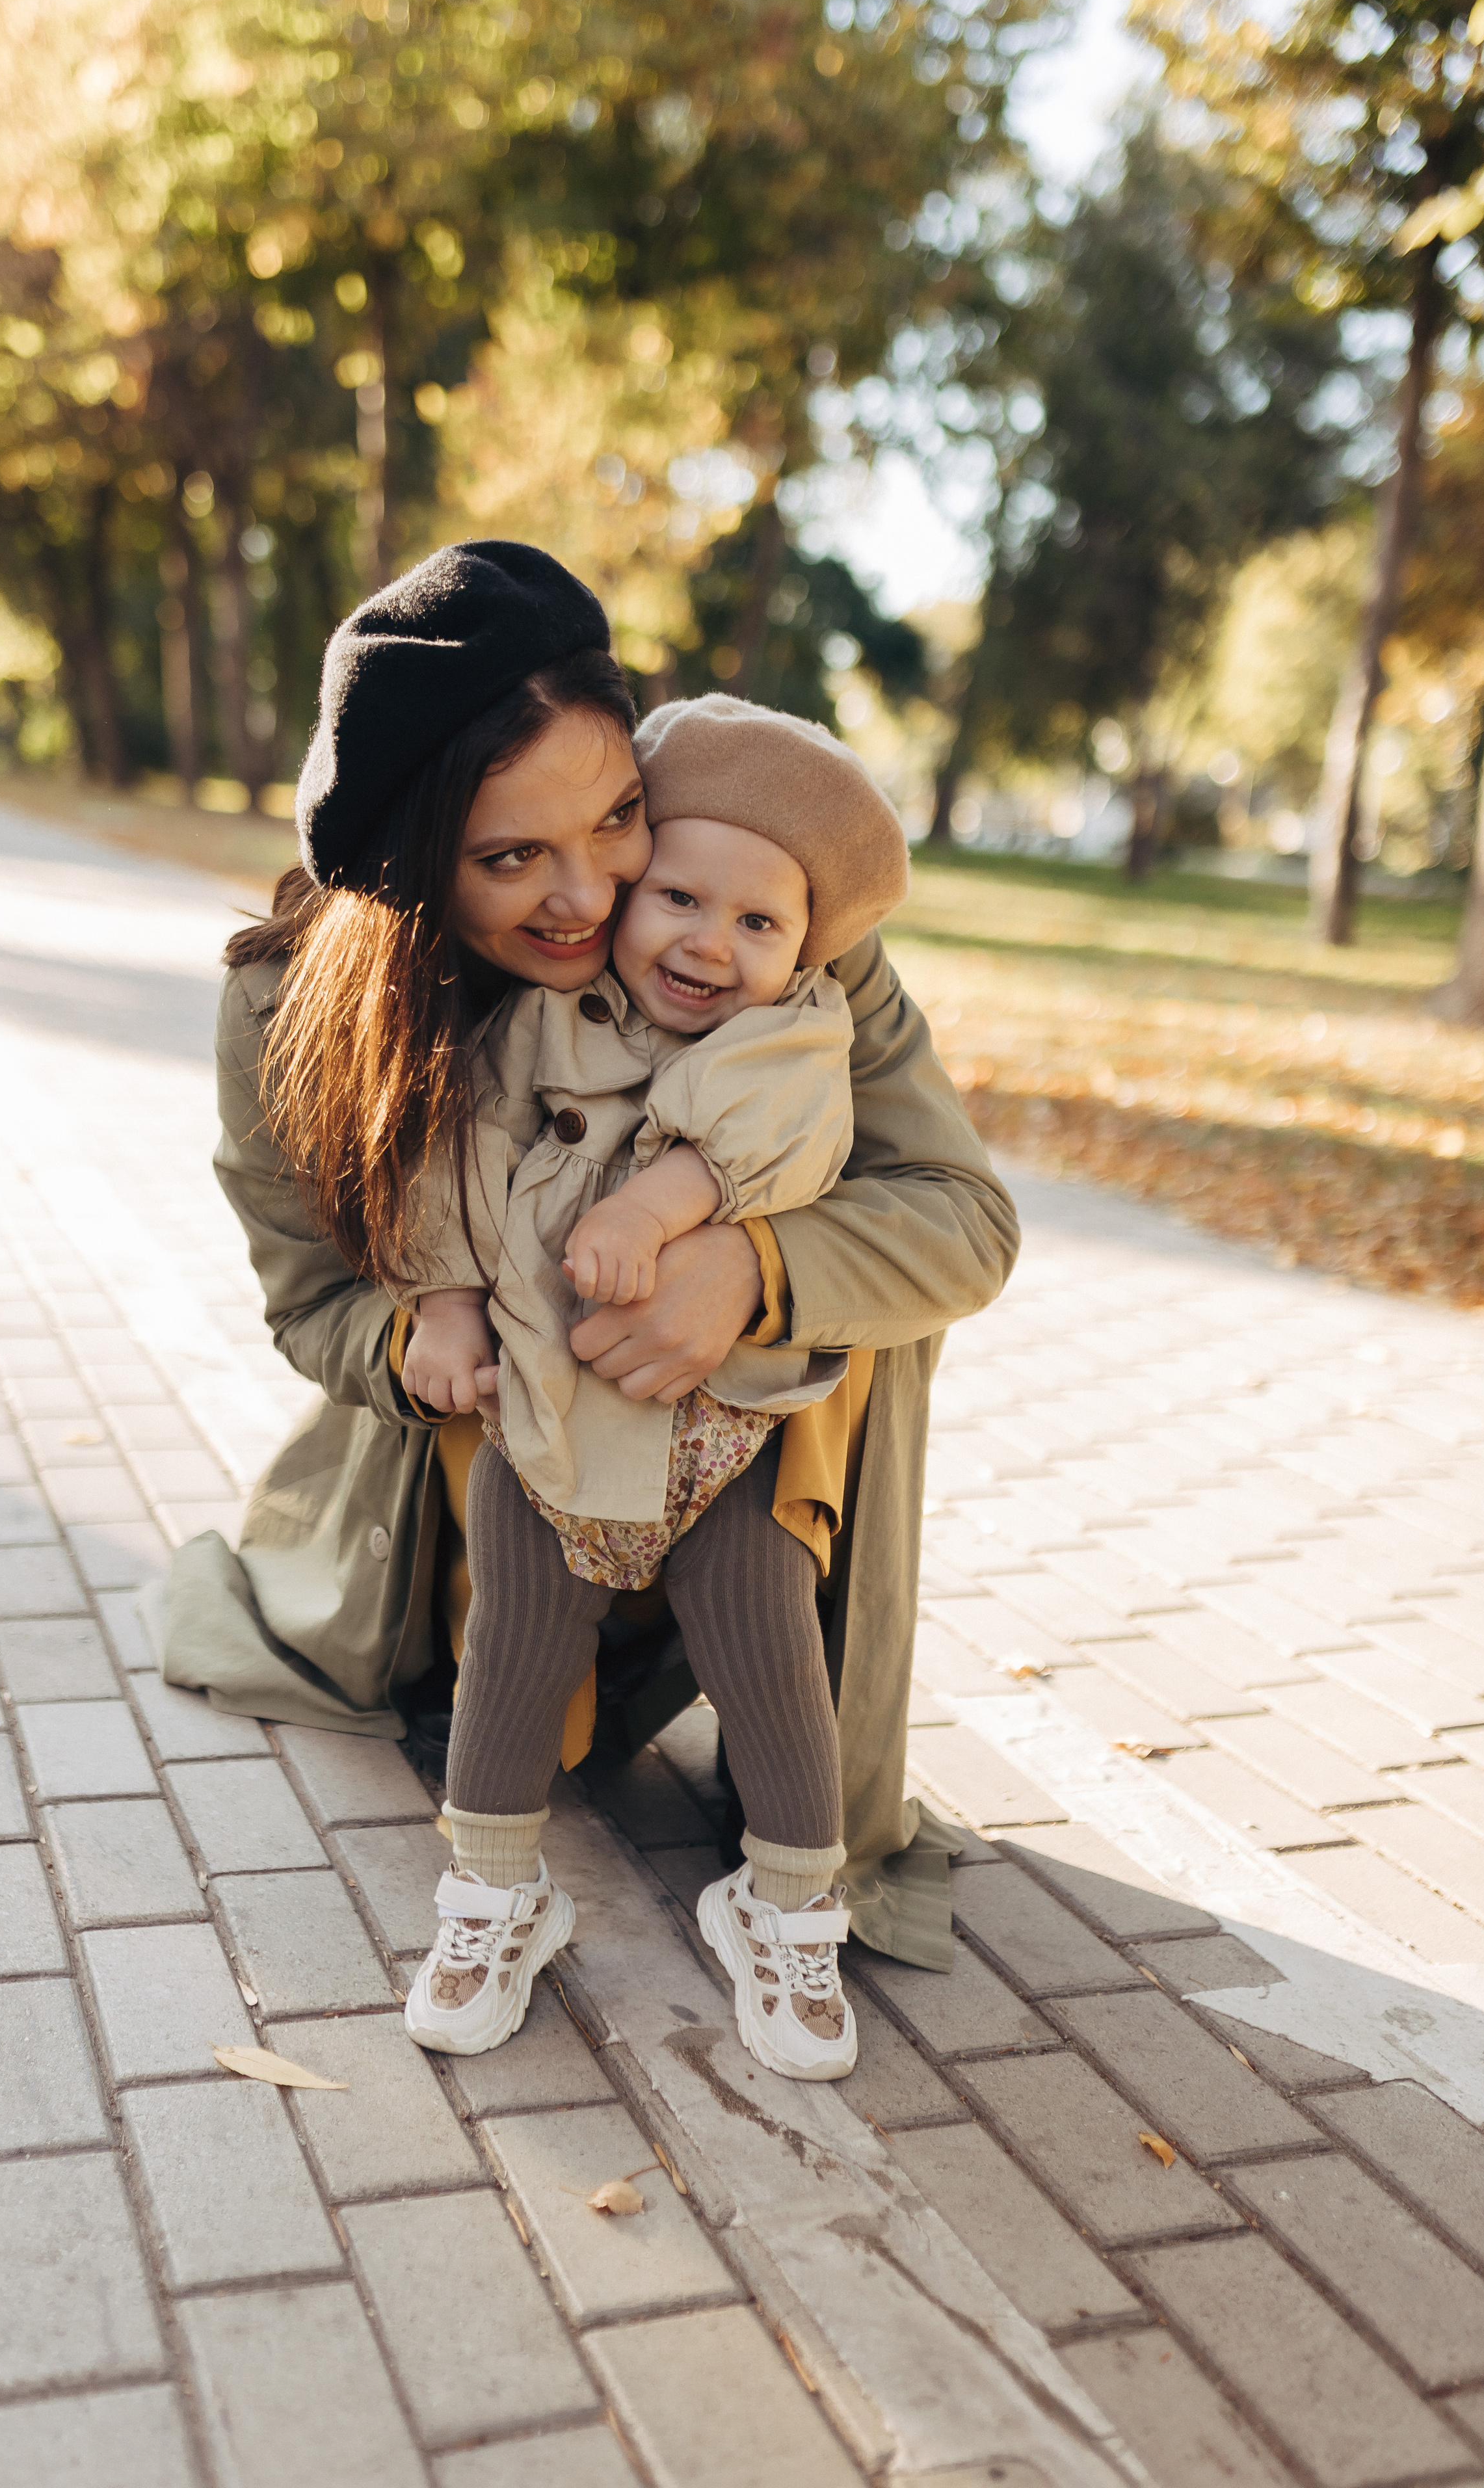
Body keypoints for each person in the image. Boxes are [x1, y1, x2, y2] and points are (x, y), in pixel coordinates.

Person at [152, 537, 1019, 1972]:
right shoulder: (289, 1010)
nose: (588, 895)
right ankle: (496, 1795)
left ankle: (795, 1811)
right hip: (485, 1493)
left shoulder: (757, 915)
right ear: (415, 864)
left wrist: (747, 1267)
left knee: (868, 1284)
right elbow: (311, 1303)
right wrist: (417, 1345)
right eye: (510, 859)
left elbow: (961, 1218)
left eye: (616, 817)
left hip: (734, 1481)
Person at [393, 698, 912, 2077]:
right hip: (551, 1415)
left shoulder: (796, 1035)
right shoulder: (549, 1026)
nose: (708, 942)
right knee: (513, 1638)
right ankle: (494, 1893)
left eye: (759, 924)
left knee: (765, 1636)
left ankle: (790, 1907)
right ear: (630, 887)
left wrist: (669, 1204)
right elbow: (460, 1145)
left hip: (718, 1433)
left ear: (808, 949)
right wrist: (444, 1300)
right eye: (677, 895)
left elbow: (781, 1138)